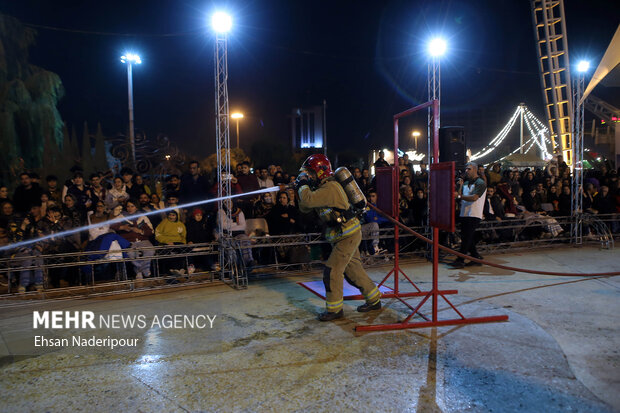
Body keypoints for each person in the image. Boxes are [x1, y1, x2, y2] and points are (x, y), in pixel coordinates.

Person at [296, 154, 381, 321]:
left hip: (347, 235)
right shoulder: (320, 189)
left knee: (332, 271)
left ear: (321, 172)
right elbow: (305, 208)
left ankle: (334, 310)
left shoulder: (330, 188)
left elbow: (307, 202)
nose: (310, 176)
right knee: (353, 271)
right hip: (344, 234)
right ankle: (374, 300)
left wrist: (303, 185)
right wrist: (301, 187)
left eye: (311, 173)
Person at [450, 162, 487, 268]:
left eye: (469, 169)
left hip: (474, 213)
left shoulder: (481, 183)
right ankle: (476, 257)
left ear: (475, 169)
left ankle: (460, 259)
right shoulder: (466, 182)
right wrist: (460, 187)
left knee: (467, 237)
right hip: (465, 212)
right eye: (466, 169)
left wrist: (459, 196)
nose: (466, 171)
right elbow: (462, 195)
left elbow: (474, 197)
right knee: (467, 237)